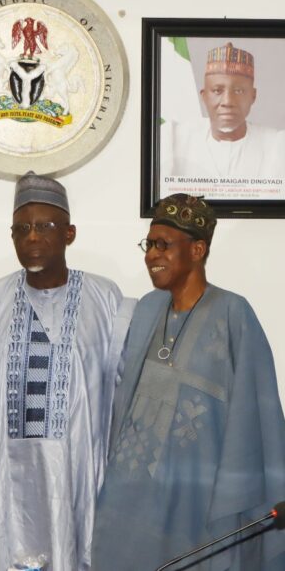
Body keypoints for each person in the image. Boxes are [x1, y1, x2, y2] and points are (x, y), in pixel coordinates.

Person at [0, 172, 135, 571]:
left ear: (69, 233)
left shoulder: (106, 301)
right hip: (0, 493)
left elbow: (130, 397)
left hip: (80, 488)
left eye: (45, 226)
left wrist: (124, 489)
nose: (33, 237)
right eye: (22, 228)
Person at [92, 193, 285, 570]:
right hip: (131, 503)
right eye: (149, 244)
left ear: (197, 249)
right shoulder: (146, 309)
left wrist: (235, 498)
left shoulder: (234, 314)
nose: (151, 255)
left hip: (199, 504)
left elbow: (258, 417)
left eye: (163, 245)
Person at [161, 42, 285, 179]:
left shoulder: (276, 146)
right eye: (217, 91)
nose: (227, 101)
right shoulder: (175, 140)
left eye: (238, 91)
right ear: (204, 96)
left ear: (253, 96)